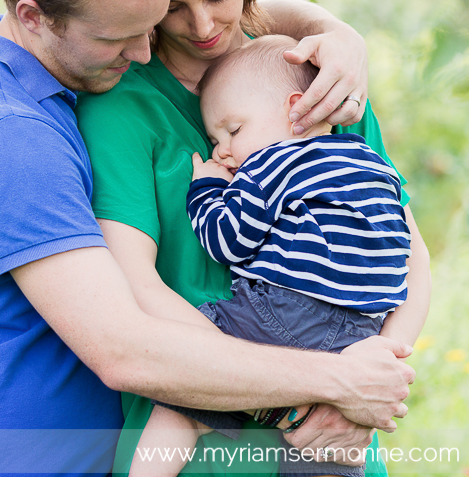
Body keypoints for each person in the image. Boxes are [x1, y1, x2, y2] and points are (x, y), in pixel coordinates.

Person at [0, 0, 415, 477]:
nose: (143, 53)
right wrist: (336, 383)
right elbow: (125, 349)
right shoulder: (6, 134)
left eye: (149, 26)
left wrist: (331, 30)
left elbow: (249, 21)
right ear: (33, 16)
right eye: (126, 35)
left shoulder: (83, 76)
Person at [74, 0, 432, 476]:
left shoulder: (315, 82)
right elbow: (136, 290)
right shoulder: (123, 110)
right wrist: (289, 390)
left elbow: (405, 253)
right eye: (174, 7)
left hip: (334, 443)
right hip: (206, 456)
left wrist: (368, 380)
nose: (203, 24)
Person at [131, 35, 424, 477]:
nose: (223, 150)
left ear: (294, 111)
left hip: (285, 312)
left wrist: (207, 189)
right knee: (326, 452)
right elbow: (401, 251)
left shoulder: (272, 162)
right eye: (215, 139)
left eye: (233, 130)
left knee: (184, 390)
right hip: (361, 334)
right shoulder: (372, 164)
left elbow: (226, 240)